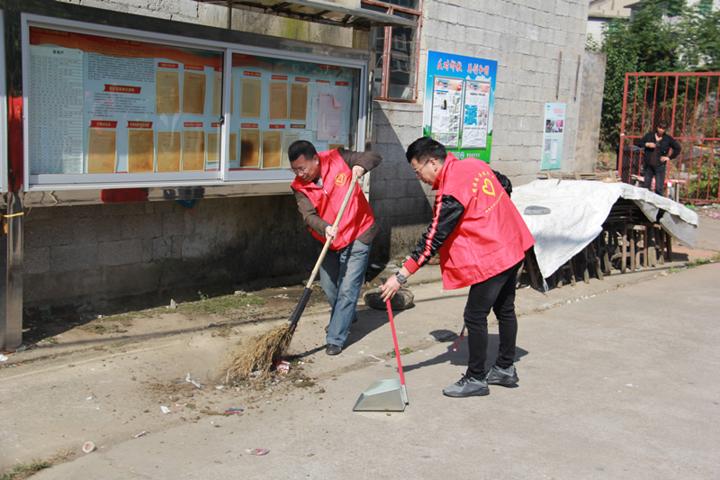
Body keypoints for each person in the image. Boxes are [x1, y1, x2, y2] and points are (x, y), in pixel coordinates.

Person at [380, 137, 534, 398]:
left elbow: (433, 238)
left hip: (493, 255)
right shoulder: (474, 164)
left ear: (432, 162)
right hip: (513, 241)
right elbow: (504, 183)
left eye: (418, 171)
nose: (421, 179)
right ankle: (505, 368)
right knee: (505, 308)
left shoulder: (451, 189)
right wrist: (489, 216)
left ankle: (476, 377)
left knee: (475, 315)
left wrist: (401, 276)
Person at [289, 140, 381, 356]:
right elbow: (309, 216)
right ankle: (347, 315)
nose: (300, 174)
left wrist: (360, 166)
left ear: (315, 159)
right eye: (295, 170)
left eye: (302, 168)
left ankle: (336, 337)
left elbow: (373, 156)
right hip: (329, 238)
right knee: (330, 286)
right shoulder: (299, 187)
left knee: (348, 287)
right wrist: (326, 227)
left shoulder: (337, 158)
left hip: (359, 231)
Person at [635, 121, 681, 196]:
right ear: (657, 127)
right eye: (660, 127)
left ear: (665, 130)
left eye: (663, 128)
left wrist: (668, 157)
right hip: (648, 165)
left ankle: (657, 206)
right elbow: (639, 143)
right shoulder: (649, 136)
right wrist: (647, 144)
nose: (661, 130)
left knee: (659, 188)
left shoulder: (668, 139)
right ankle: (645, 205)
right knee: (646, 187)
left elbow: (678, 148)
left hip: (660, 166)